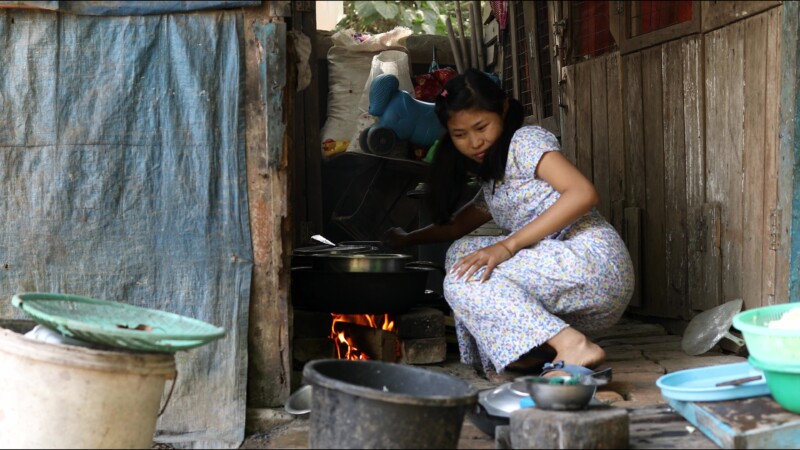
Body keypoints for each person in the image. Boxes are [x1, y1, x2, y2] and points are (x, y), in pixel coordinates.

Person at [383, 68, 634, 378]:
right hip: (562, 275)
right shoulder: (494, 177)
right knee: (461, 254)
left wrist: (507, 246)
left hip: (593, 264)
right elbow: (455, 228)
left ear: (502, 109)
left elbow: (583, 193)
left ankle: (574, 345)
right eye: (460, 135)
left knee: (462, 280)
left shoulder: (524, 141)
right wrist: (405, 239)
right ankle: (532, 352)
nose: (474, 142)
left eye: (481, 127)